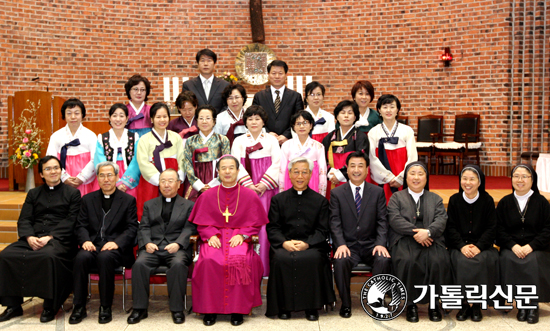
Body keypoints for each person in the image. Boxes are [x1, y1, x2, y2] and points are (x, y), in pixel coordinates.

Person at [0, 156, 81, 323]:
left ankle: (50, 306)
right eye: (48, 169)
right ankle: (13, 306)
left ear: (61, 170)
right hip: (33, 237)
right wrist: (29, 237)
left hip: (60, 240)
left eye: (56, 168)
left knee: (48, 257)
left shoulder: (73, 193)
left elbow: (72, 220)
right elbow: (24, 219)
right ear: (41, 174)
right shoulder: (33, 193)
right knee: (6, 255)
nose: (53, 171)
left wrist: (50, 237)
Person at [189, 155, 268, 326]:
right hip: (215, 237)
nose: (227, 171)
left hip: (238, 237)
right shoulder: (208, 195)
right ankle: (209, 310)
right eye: (223, 168)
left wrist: (243, 235)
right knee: (209, 260)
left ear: (238, 171)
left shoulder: (249, 195)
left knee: (240, 259)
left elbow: (255, 223)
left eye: (231, 168)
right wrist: (210, 235)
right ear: (218, 171)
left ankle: (237, 309)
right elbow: (201, 223)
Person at [266, 157, 335, 321]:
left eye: (304, 172)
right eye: (296, 172)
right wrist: (284, 242)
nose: (300, 176)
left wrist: (307, 243)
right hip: (285, 244)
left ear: (310, 174)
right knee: (280, 258)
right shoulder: (278, 200)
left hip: (312, 245)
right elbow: (273, 227)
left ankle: (312, 307)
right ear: (289, 174)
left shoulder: (320, 201)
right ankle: (283, 307)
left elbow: (323, 230)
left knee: (312, 258)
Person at [69, 161, 138, 324]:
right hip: (93, 245)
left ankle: (105, 307)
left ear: (116, 177)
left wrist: (117, 243)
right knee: (80, 257)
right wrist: (85, 240)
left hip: (117, 250)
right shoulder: (87, 199)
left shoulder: (128, 200)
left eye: (109, 175)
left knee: (105, 258)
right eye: (102, 175)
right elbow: (81, 225)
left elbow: (132, 228)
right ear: (97, 178)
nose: (106, 179)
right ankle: (79, 306)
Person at [128, 169, 196, 325]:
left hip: (176, 248)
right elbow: (143, 227)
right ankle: (140, 309)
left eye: (170, 181)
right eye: (163, 181)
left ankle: (177, 309)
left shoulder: (189, 205)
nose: (166, 184)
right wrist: (147, 243)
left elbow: (190, 228)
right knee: (139, 264)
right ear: (158, 184)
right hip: (153, 248)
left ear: (179, 184)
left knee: (178, 265)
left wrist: (178, 243)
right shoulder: (149, 204)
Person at [387, 161, 451, 323]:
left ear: (426, 178)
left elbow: (441, 219)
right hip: (404, 239)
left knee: (438, 260)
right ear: (406, 177)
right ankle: (411, 304)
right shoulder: (396, 197)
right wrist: (417, 233)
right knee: (407, 261)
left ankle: (434, 304)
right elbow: (395, 219)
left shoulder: (435, 198)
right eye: (412, 173)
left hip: (432, 239)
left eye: (420, 174)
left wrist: (428, 232)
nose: (416, 177)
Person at [330, 151, 391, 318]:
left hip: (371, 244)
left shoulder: (377, 192)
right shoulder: (337, 193)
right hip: (348, 245)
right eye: (352, 166)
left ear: (366, 170)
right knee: (340, 261)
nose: (356, 170)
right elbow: (334, 222)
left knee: (383, 258)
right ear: (347, 170)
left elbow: (382, 221)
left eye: (360, 166)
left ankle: (375, 301)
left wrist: (380, 243)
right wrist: (340, 244)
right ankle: (346, 304)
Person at [496, 164, 550, 324]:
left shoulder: (542, 202)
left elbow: (548, 229)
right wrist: (513, 245)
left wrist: (531, 246)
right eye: (516, 176)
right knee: (507, 257)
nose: (520, 180)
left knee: (533, 260)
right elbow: (498, 229)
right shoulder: (505, 202)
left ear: (532, 179)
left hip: (536, 247)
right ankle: (520, 305)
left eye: (524, 176)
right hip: (512, 246)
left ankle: (533, 305)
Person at [445, 165, 499, 322]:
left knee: (483, 260)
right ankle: (463, 305)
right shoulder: (454, 200)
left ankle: (476, 305)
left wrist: (479, 246)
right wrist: (461, 246)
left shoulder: (487, 200)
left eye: (472, 179)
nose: (467, 183)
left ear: (479, 182)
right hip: (459, 245)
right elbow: (451, 228)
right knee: (459, 261)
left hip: (482, 246)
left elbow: (491, 228)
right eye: (464, 178)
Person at [231, 105, 280, 276]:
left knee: (266, 225)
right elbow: (235, 164)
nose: (253, 122)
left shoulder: (271, 140)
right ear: (245, 121)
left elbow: (278, 163)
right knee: (248, 224)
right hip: (247, 189)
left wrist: (264, 184)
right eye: (250, 119)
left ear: (263, 121)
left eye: (257, 119)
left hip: (267, 189)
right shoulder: (239, 141)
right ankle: (248, 268)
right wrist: (249, 185)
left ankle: (266, 269)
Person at [136, 102, 185, 220]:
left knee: (175, 215)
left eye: (165, 116)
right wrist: (161, 181)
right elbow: (143, 163)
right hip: (151, 182)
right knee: (151, 214)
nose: (162, 120)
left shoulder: (176, 137)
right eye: (158, 117)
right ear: (152, 119)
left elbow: (182, 159)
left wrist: (176, 179)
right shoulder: (144, 139)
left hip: (174, 181)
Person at [368, 94, 417, 202]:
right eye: (384, 107)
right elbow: (371, 158)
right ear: (379, 110)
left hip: (402, 175)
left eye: (392, 106)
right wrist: (388, 178)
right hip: (381, 177)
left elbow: (412, 157)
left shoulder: (407, 130)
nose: (388, 110)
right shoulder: (373, 132)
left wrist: (401, 178)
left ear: (397, 109)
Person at [46, 98, 98, 196]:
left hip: (84, 180)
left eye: (77, 113)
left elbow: (95, 159)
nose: (73, 117)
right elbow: (50, 159)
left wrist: (81, 178)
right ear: (64, 116)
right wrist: (64, 177)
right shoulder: (56, 136)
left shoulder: (91, 135)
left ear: (82, 115)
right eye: (69, 113)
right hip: (63, 179)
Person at [183, 105, 230, 201]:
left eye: (208, 118)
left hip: (216, 177)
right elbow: (187, 163)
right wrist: (198, 185)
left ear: (214, 121)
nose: (204, 121)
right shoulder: (190, 141)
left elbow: (226, 163)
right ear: (197, 121)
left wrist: (214, 183)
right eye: (201, 118)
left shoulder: (222, 140)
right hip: (196, 179)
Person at [322, 100, 369, 197]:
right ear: (337, 116)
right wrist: (330, 173)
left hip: (353, 178)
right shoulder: (329, 137)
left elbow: (362, 159)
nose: (346, 116)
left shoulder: (361, 137)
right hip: (332, 179)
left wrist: (340, 174)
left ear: (355, 117)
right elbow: (323, 158)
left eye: (350, 113)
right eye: (342, 113)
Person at [252, 60, 304, 145]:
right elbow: (255, 118)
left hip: (288, 142)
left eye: (280, 73)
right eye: (273, 73)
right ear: (268, 75)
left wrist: (286, 135)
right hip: (265, 142)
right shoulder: (259, 96)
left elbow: (299, 119)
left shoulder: (295, 96)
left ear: (286, 75)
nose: (277, 76)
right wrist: (267, 133)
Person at [94, 103, 141, 198]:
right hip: (108, 177)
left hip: (129, 176)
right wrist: (113, 180)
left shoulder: (134, 137)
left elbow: (137, 160)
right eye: (114, 116)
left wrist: (125, 182)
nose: (118, 119)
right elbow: (99, 160)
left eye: (121, 116)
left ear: (127, 119)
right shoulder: (102, 139)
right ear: (110, 118)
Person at [279, 110, 327, 196]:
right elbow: (282, 170)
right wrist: (281, 192)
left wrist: (322, 193)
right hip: (290, 182)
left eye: (305, 123)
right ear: (293, 127)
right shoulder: (286, 145)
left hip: (312, 182)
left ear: (311, 125)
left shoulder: (318, 146)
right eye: (298, 123)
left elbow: (322, 170)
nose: (302, 126)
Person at [181, 49, 230, 114]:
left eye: (209, 60)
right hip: (196, 123)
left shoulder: (225, 85)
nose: (206, 64)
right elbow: (186, 107)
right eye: (202, 60)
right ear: (197, 64)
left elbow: (227, 106)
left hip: (219, 123)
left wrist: (215, 120)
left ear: (214, 63)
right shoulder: (188, 85)